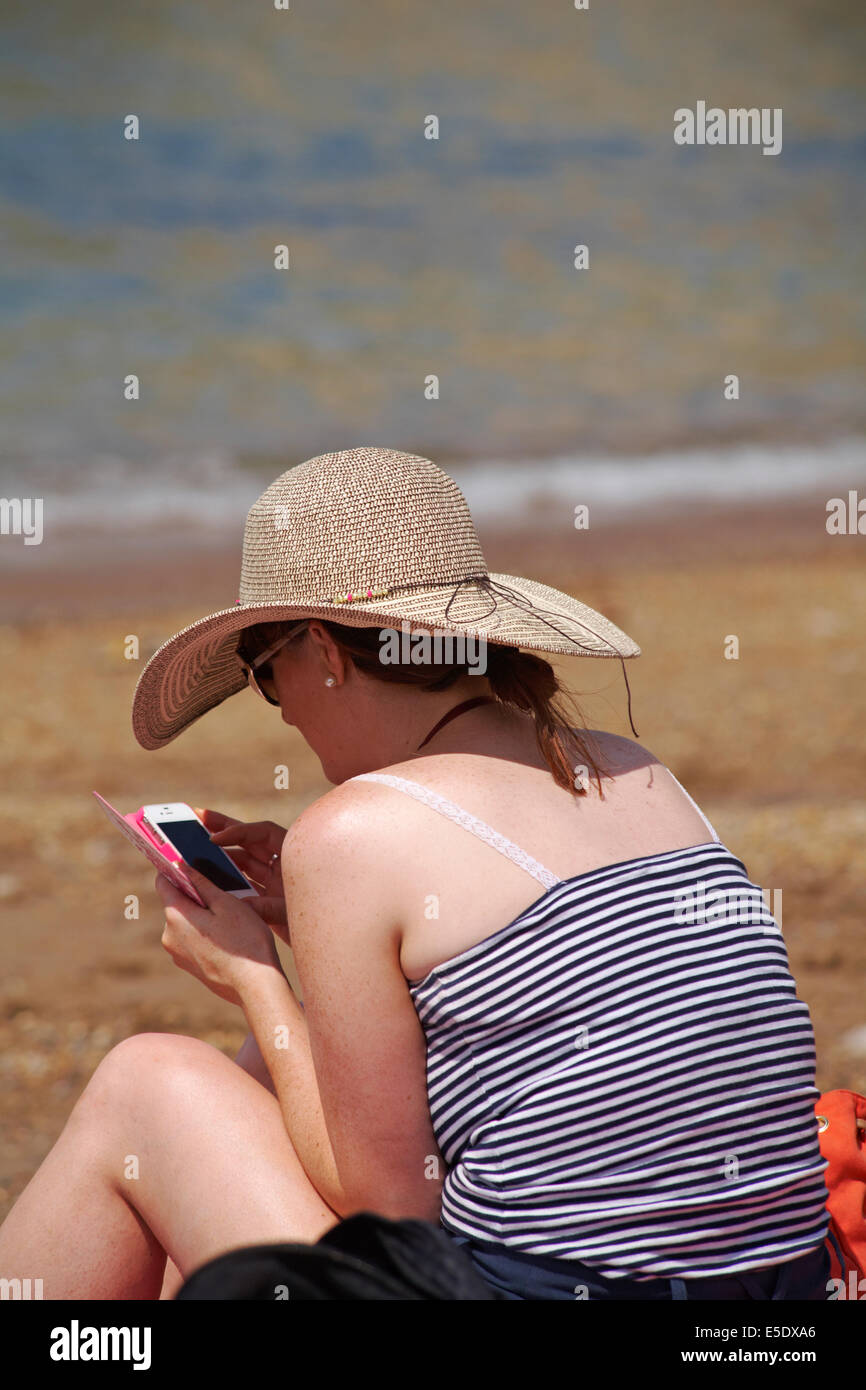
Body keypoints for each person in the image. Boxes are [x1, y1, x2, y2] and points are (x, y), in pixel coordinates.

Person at [0, 447, 831, 1300]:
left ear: (322, 649)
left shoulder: (355, 835)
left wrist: (255, 975)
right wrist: (338, 943)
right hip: (775, 1312)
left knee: (147, 1086)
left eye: (264, 677)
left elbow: (393, 1211)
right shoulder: (632, 769)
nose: (280, 712)